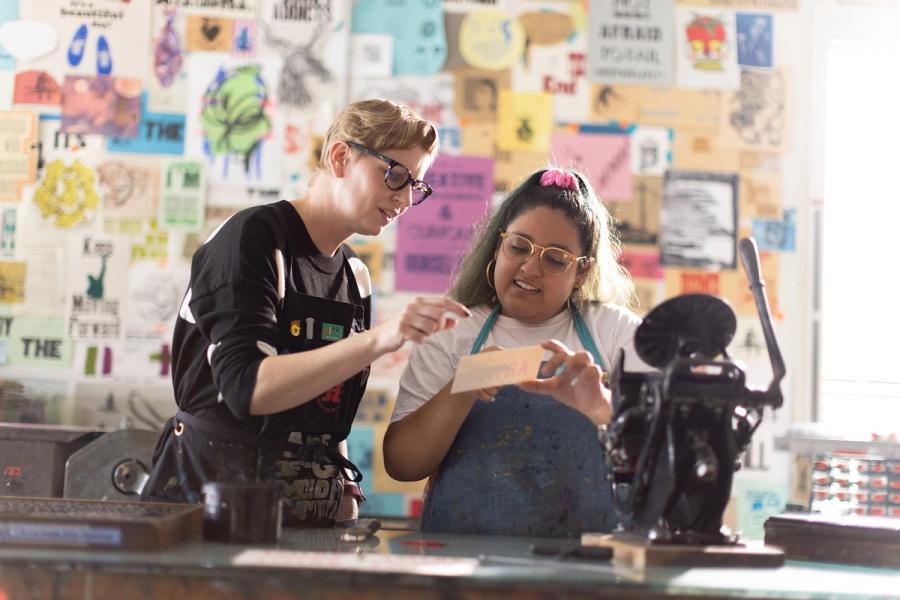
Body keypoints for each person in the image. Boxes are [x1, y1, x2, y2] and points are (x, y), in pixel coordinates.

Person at [141, 99, 471, 528]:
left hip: (308, 514)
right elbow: (248, 388)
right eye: (395, 175)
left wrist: (347, 489)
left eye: (418, 186)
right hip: (208, 502)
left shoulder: (354, 275)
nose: (406, 198)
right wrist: (379, 339)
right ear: (340, 157)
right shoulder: (253, 239)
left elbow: (330, 409)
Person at [383, 167, 654, 537]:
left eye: (555, 259)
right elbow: (402, 464)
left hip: (587, 569)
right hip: (464, 570)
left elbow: (665, 462)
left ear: (581, 272)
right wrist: (460, 389)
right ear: (498, 244)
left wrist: (605, 408)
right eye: (519, 246)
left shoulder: (615, 333)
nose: (530, 267)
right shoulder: (451, 332)